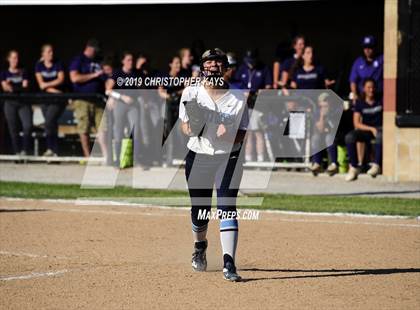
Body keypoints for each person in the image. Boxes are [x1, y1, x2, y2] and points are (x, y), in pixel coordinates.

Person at [179, 48, 248, 282]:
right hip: (198, 156)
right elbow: (184, 127)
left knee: (227, 205)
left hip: (228, 157)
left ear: (226, 69)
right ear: (202, 68)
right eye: (209, 63)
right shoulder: (191, 92)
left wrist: (228, 134)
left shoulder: (238, 97)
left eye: (218, 63)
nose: (213, 67)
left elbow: (242, 134)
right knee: (200, 212)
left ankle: (229, 263)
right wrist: (193, 128)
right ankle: (200, 246)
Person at [69, 39, 108, 160]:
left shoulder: (98, 61)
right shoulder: (79, 60)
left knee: (103, 127)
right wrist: (94, 75)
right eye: (94, 50)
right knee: (84, 127)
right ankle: (87, 157)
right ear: (89, 48)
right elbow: (74, 78)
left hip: (98, 99)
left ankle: (106, 156)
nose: (96, 52)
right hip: (82, 99)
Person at [105, 51, 142, 167]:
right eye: (128, 60)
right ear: (123, 61)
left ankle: (136, 160)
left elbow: (141, 88)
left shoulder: (136, 74)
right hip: (120, 104)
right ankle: (117, 160)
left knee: (136, 130)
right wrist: (119, 97)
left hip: (133, 105)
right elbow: (108, 90)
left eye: (132, 60)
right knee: (118, 132)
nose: (131, 62)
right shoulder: (117, 73)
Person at [235, 49, 272, 162]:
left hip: (258, 105)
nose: (250, 63)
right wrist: (243, 92)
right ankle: (249, 159)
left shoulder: (263, 68)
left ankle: (260, 159)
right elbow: (236, 84)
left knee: (258, 133)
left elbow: (269, 85)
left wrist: (260, 92)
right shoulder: (242, 68)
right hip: (245, 105)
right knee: (248, 134)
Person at [345, 78, 382, 181]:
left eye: (373, 87)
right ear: (364, 89)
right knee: (350, 137)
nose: (371, 90)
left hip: (380, 129)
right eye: (368, 87)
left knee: (380, 135)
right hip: (367, 130)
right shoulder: (360, 103)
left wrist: (375, 129)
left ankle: (376, 165)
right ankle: (354, 167)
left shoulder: (380, 100)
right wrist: (371, 129)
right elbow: (356, 123)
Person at [34, 44, 65, 156]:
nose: (51, 53)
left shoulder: (58, 63)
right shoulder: (39, 65)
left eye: (52, 51)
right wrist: (54, 89)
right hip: (45, 99)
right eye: (48, 51)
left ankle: (52, 148)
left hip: (57, 100)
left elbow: (61, 80)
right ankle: (53, 150)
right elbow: (40, 84)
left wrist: (47, 86)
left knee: (49, 121)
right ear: (43, 54)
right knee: (51, 124)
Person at [1, 50, 31, 155]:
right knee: (13, 128)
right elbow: (5, 87)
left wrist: (12, 86)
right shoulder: (4, 73)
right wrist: (15, 87)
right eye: (13, 58)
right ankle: (16, 151)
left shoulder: (24, 71)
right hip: (10, 102)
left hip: (23, 102)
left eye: (17, 58)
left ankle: (25, 150)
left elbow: (25, 86)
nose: (15, 60)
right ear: (8, 59)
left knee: (27, 125)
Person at [158, 55, 185, 167]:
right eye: (176, 63)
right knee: (168, 132)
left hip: (180, 107)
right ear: (171, 64)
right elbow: (160, 91)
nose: (178, 65)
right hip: (167, 105)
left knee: (180, 131)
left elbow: (187, 89)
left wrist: (177, 93)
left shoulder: (183, 77)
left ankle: (182, 158)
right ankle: (168, 159)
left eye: (179, 63)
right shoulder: (165, 77)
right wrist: (169, 96)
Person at [310, 93, 339, 176]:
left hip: (334, 134)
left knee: (329, 138)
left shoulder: (335, 111)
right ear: (319, 103)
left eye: (327, 100)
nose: (326, 103)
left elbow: (334, 127)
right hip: (322, 135)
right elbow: (320, 129)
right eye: (323, 101)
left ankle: (334, 164)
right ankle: (317, 163)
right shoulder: (317, 113)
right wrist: (322, 116)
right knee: (315, 138)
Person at [349, 35, 383, 102]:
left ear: (375, 47)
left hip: (378, 96)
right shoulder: (358, 62)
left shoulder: (381, 59)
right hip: (363, 97)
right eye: (365, 47)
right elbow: (353, 81)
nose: (367, 50)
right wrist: (355, 95)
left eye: (370, 47)